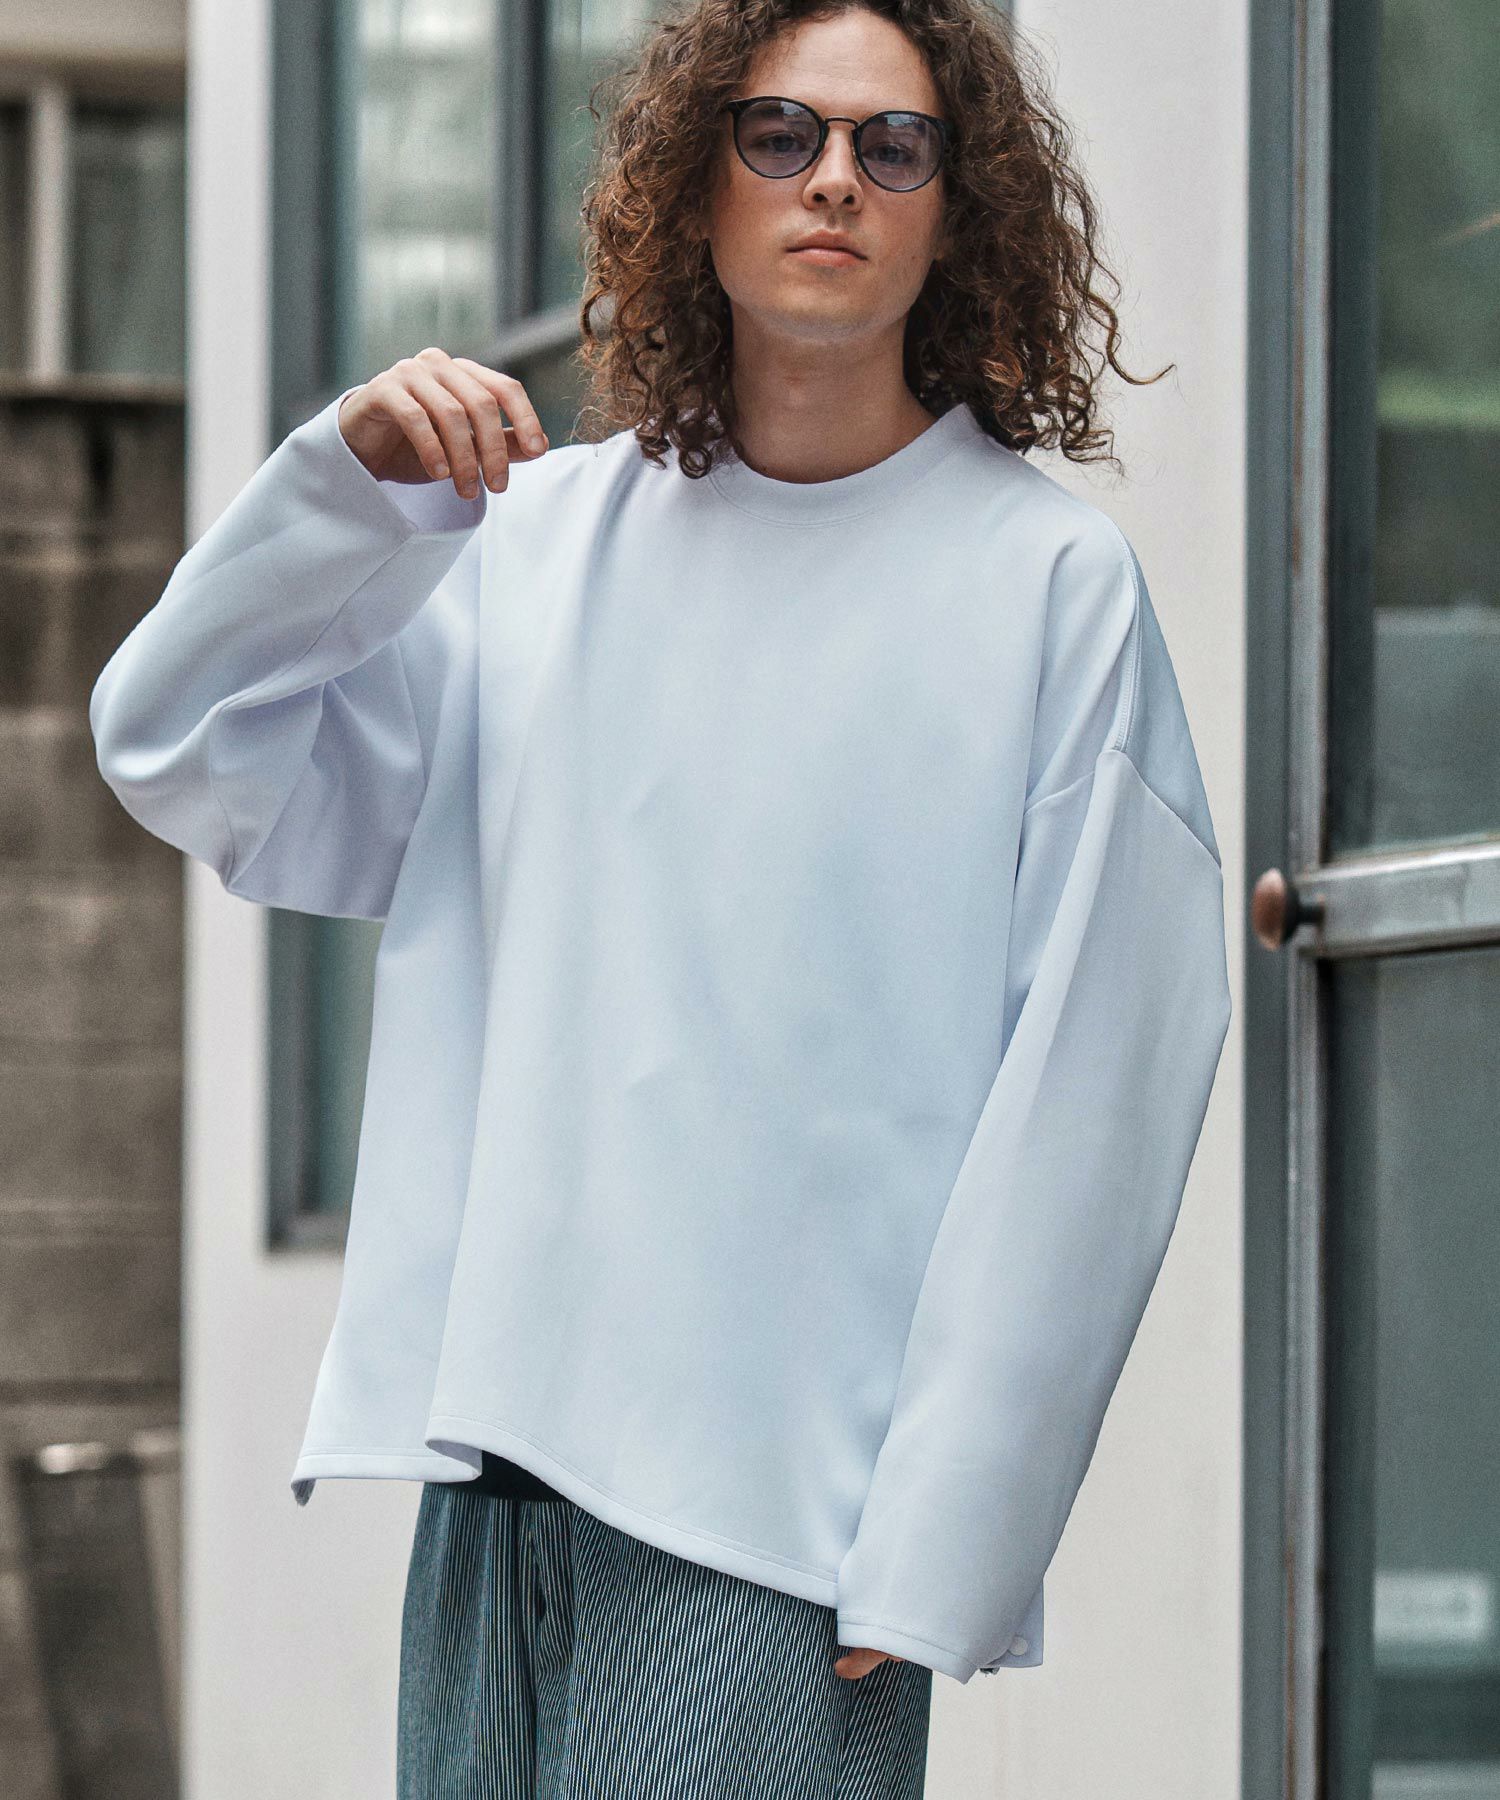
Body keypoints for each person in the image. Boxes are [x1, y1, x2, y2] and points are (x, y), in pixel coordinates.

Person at [88, 0, 1232, 1793]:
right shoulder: (533, 549)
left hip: (783, 1525)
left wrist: (952, 1530)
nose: (834, 179)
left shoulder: (1047, 587)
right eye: (780, 134)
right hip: (499, 1481)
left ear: (958, 212)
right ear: (700, 188)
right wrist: (343, 493)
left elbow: (1109, 1076)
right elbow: (179, 748)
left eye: (894, 146)